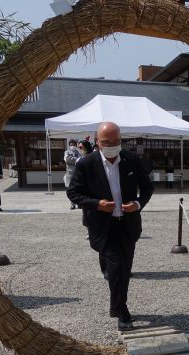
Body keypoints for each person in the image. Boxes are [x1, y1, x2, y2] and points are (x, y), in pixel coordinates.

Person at [67, 122, 153, 330]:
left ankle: (116, 305)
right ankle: (122, 311)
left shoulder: (132, 160)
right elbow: (73, 193)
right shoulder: (86, 163)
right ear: (97, 142)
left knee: (126, 268)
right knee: (115, 269)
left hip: (127, 223)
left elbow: (147, 188)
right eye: (107, 142)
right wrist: (97, 204)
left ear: (121, 140)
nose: (112, 146)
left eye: (116, 142)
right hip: (103, 226)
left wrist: (137, 204)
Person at [64, 140, 81, 209]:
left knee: (78, 189)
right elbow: (67, 159)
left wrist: (74, 159)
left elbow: (80, 159)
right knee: (71, 190)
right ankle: (72, 204)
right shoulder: (66, 152)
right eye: (71, 144)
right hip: (69, 173)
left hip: (77, 173)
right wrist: (76, 159)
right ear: (69, 145)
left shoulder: (77, 152)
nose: (72, 146)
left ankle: (78, 203)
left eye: (74, 144)